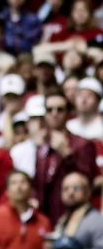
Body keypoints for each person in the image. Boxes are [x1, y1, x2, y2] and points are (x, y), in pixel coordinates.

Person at [33, 90, 97, 225]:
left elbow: (87, 179)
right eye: (49, 110)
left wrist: (67, 155)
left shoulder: (83, 144)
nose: (54, 114)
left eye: (59, 109)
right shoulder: (41, 146)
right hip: (45, 215)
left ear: (68, 113)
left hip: (74, 215)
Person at [52, 171, 103, 249]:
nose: (70, 193)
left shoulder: (97, 221)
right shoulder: (63, 221)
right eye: (66, 189)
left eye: (77, 188)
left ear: (88, 192)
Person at [66, 77, 103, 142]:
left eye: (89, 96)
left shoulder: (101, 126)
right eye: (80, 95)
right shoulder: (69, 126)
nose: (84, 100)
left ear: (98, 101)